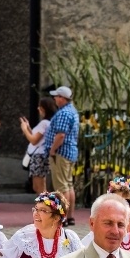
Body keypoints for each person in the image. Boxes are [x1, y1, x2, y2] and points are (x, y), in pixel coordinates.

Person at [45, 86, 79, 226]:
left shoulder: (64, 113)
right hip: (69, 152)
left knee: (61, 187)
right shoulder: (72, 111)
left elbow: (60, 135)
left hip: (61, 153)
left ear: (62, 98)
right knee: (68, 185)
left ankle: (63, 217)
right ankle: (70, 217)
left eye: (57, 96)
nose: (54, 99)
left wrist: (52, 150)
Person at [20, 97, 58, 194]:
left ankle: (45, 207)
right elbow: (36, 137)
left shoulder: (44, 123)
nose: (38, 108)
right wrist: (28, 128)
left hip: (38, 156)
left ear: (44, 109)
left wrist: (24, 129)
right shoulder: (50, 122)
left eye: (40, 106)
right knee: (38, 185)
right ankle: (45, 206)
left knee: (39, 187)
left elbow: (34, 140)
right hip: (42, 155)